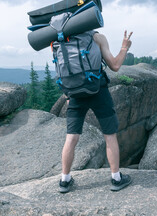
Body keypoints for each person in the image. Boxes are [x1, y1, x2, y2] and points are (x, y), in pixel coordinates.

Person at [59, 30, 133, 193]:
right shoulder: (97, 37)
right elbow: (114, 66)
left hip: (75, 92)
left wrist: (67, 94)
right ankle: (116, 178)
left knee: (71, 137)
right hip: (97, 90)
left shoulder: (63, 39)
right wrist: (124, 47)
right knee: (109, 134)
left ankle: (64, 180)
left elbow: (63, 69)